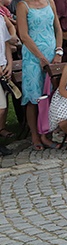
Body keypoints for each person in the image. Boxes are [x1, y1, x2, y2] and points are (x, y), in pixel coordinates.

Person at [16, 0, 64, 150]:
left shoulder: (50, 2)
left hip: (53, 54)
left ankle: (47, 132)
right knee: (34, 96)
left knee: (51, 94)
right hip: (33, 56)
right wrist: (41, 57)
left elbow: (58, 29)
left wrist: (58, 51)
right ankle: (35, 136)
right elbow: (24, 35)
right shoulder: (23, 6)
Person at [0, 12, 15, 155]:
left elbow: (5, 44)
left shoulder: (0, 18)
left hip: (3, 68)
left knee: (2, 107)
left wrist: (9, 63)